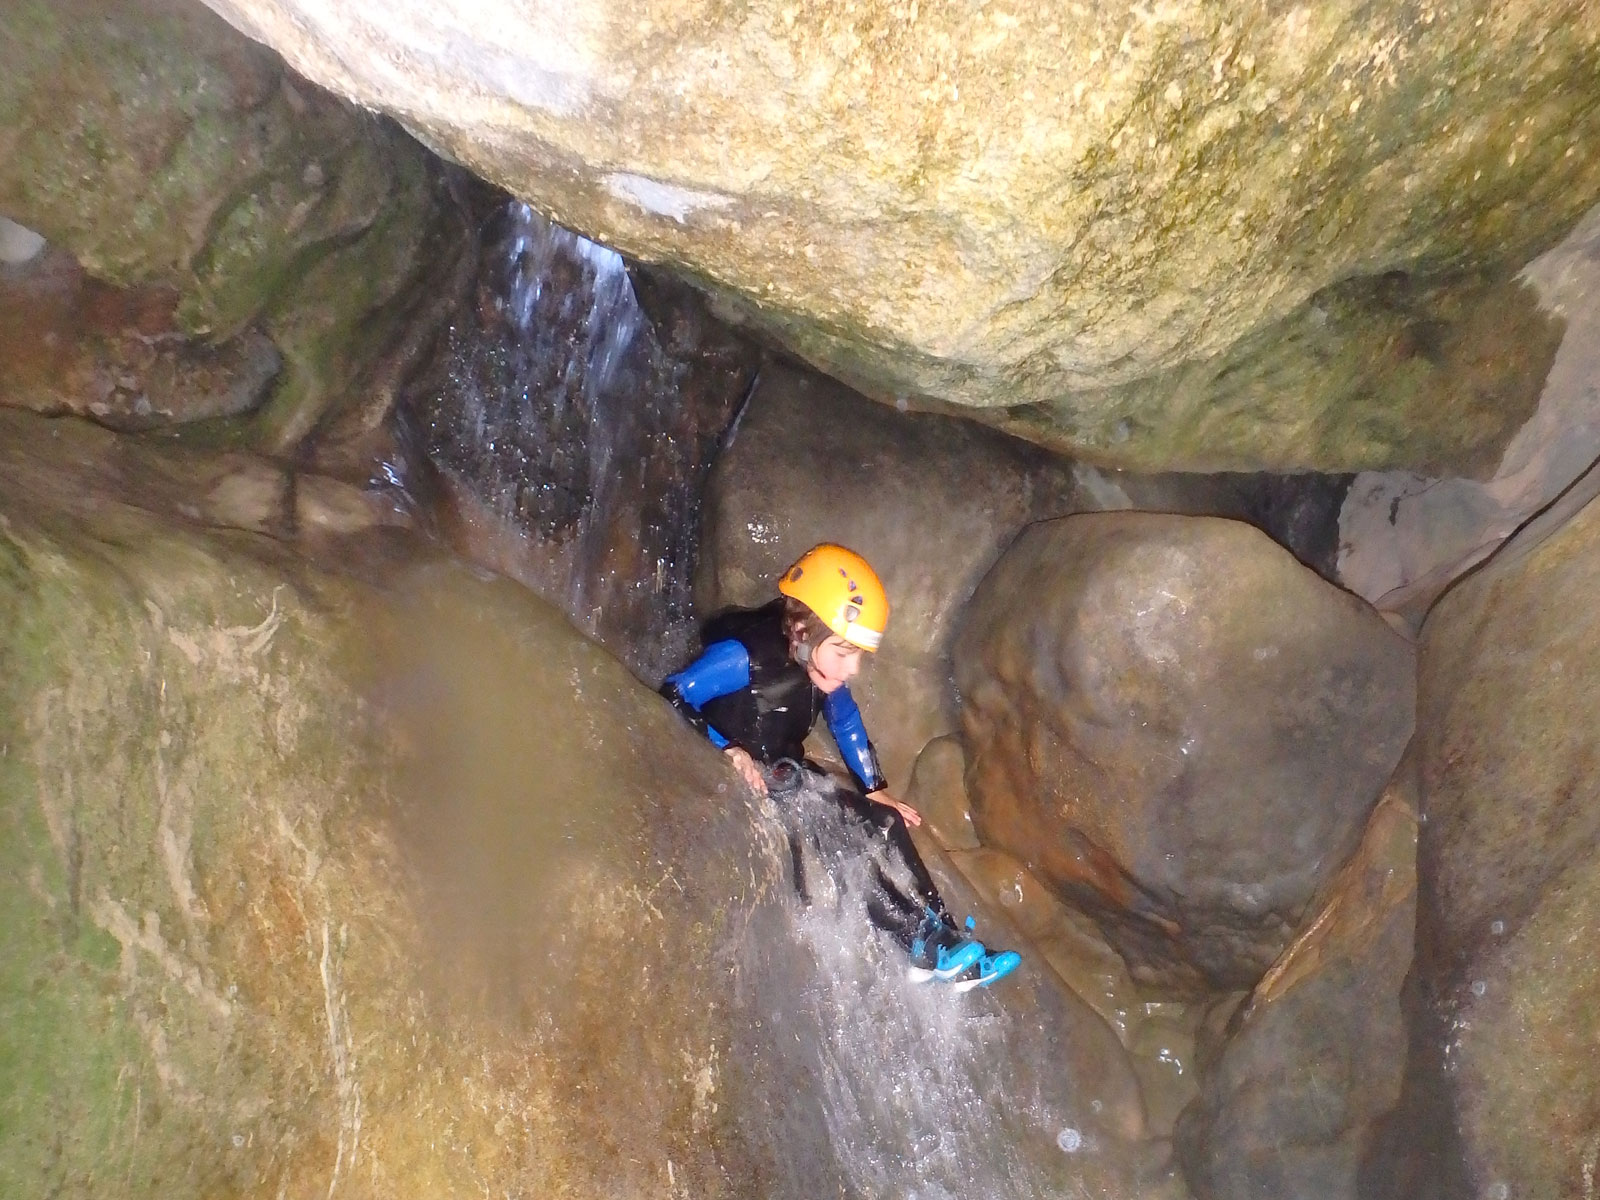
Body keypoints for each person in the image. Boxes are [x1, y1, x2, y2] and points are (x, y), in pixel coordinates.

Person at [662, 543, 1019, 990]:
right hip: (758, 779)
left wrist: (873, 787)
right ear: (800, 632)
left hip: (789, 770)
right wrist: (727, 748)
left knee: (886, 820)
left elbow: (845, 720)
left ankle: (946, 934)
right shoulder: (743, 656)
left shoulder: (821, 669)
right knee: (837, 841)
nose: (853, 669)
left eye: (859, 657)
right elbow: (674, 693)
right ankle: (916, 942)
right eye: (845, 652)